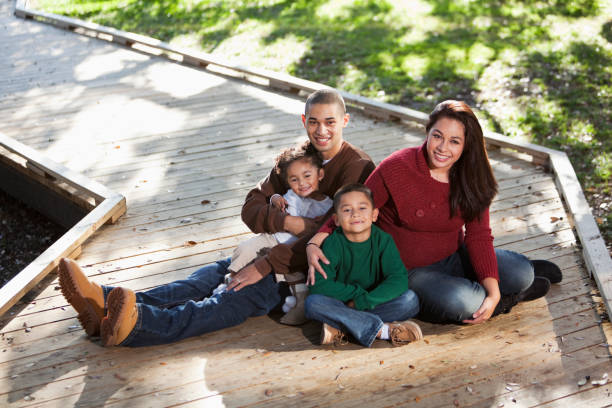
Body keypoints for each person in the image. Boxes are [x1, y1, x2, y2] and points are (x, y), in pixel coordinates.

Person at [58, 88, 376, 347]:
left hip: (303, 273)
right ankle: (104, 301)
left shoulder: (357, 167)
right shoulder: (299, 158)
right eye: (314, 121)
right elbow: (252, 207)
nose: (322, 130)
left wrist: (265, 264)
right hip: (271, 246)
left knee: (230, 295)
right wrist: (288, 222)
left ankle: (137, 326)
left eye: (330, 122)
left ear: (345, 120)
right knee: (204, 278)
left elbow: (337, 236)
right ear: (303, 120)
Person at [306, 100, 562, 325]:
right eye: (437, 136)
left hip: (453, 258)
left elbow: (478, 237)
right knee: (462, 301)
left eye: (454, 141)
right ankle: (513, 297)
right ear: (427, 133)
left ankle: (508, 284)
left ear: (466, 145)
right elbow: (357, 204)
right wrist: (317, 239)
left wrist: (492, 292)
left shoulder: (472, 178)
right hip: (409, 272)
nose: (442, 147)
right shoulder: (398, 166)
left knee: (521, 273)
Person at [223, 141, 333, 325]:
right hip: (272, 239)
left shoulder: (328, 204)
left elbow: (324, 227)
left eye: (307, 176)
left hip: (293, 249)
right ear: (288, 182)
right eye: (294, 179)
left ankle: (299, 304)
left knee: (294, 273)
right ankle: (231, 282)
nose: (302, 183)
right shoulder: (292, 195)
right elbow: (278, 201)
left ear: (320, 174)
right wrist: (274, 198)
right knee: (245, 249)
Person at [305, 183, 422, 347]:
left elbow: (398, 279)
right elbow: (319, 285)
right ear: (336, 220)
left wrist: (363, 301)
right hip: (343, 302)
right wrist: (356, 295)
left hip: (374, 300)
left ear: (374, 214)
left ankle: (343, 327)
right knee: (313, 303)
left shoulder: (383, 240)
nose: (355, 214)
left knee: (410, 300)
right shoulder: (332, 243)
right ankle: (383, 331)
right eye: (346, 210)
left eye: (362, 208)